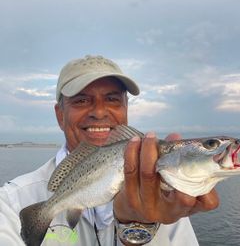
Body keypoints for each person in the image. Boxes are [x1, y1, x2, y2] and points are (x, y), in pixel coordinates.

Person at [0, 55, 219, 246]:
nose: (99, 112)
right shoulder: (10, 201)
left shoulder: (170, 197)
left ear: (126, 108)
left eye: (112, 99)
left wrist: (139, 229)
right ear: (60, 115)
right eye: (81, 100)